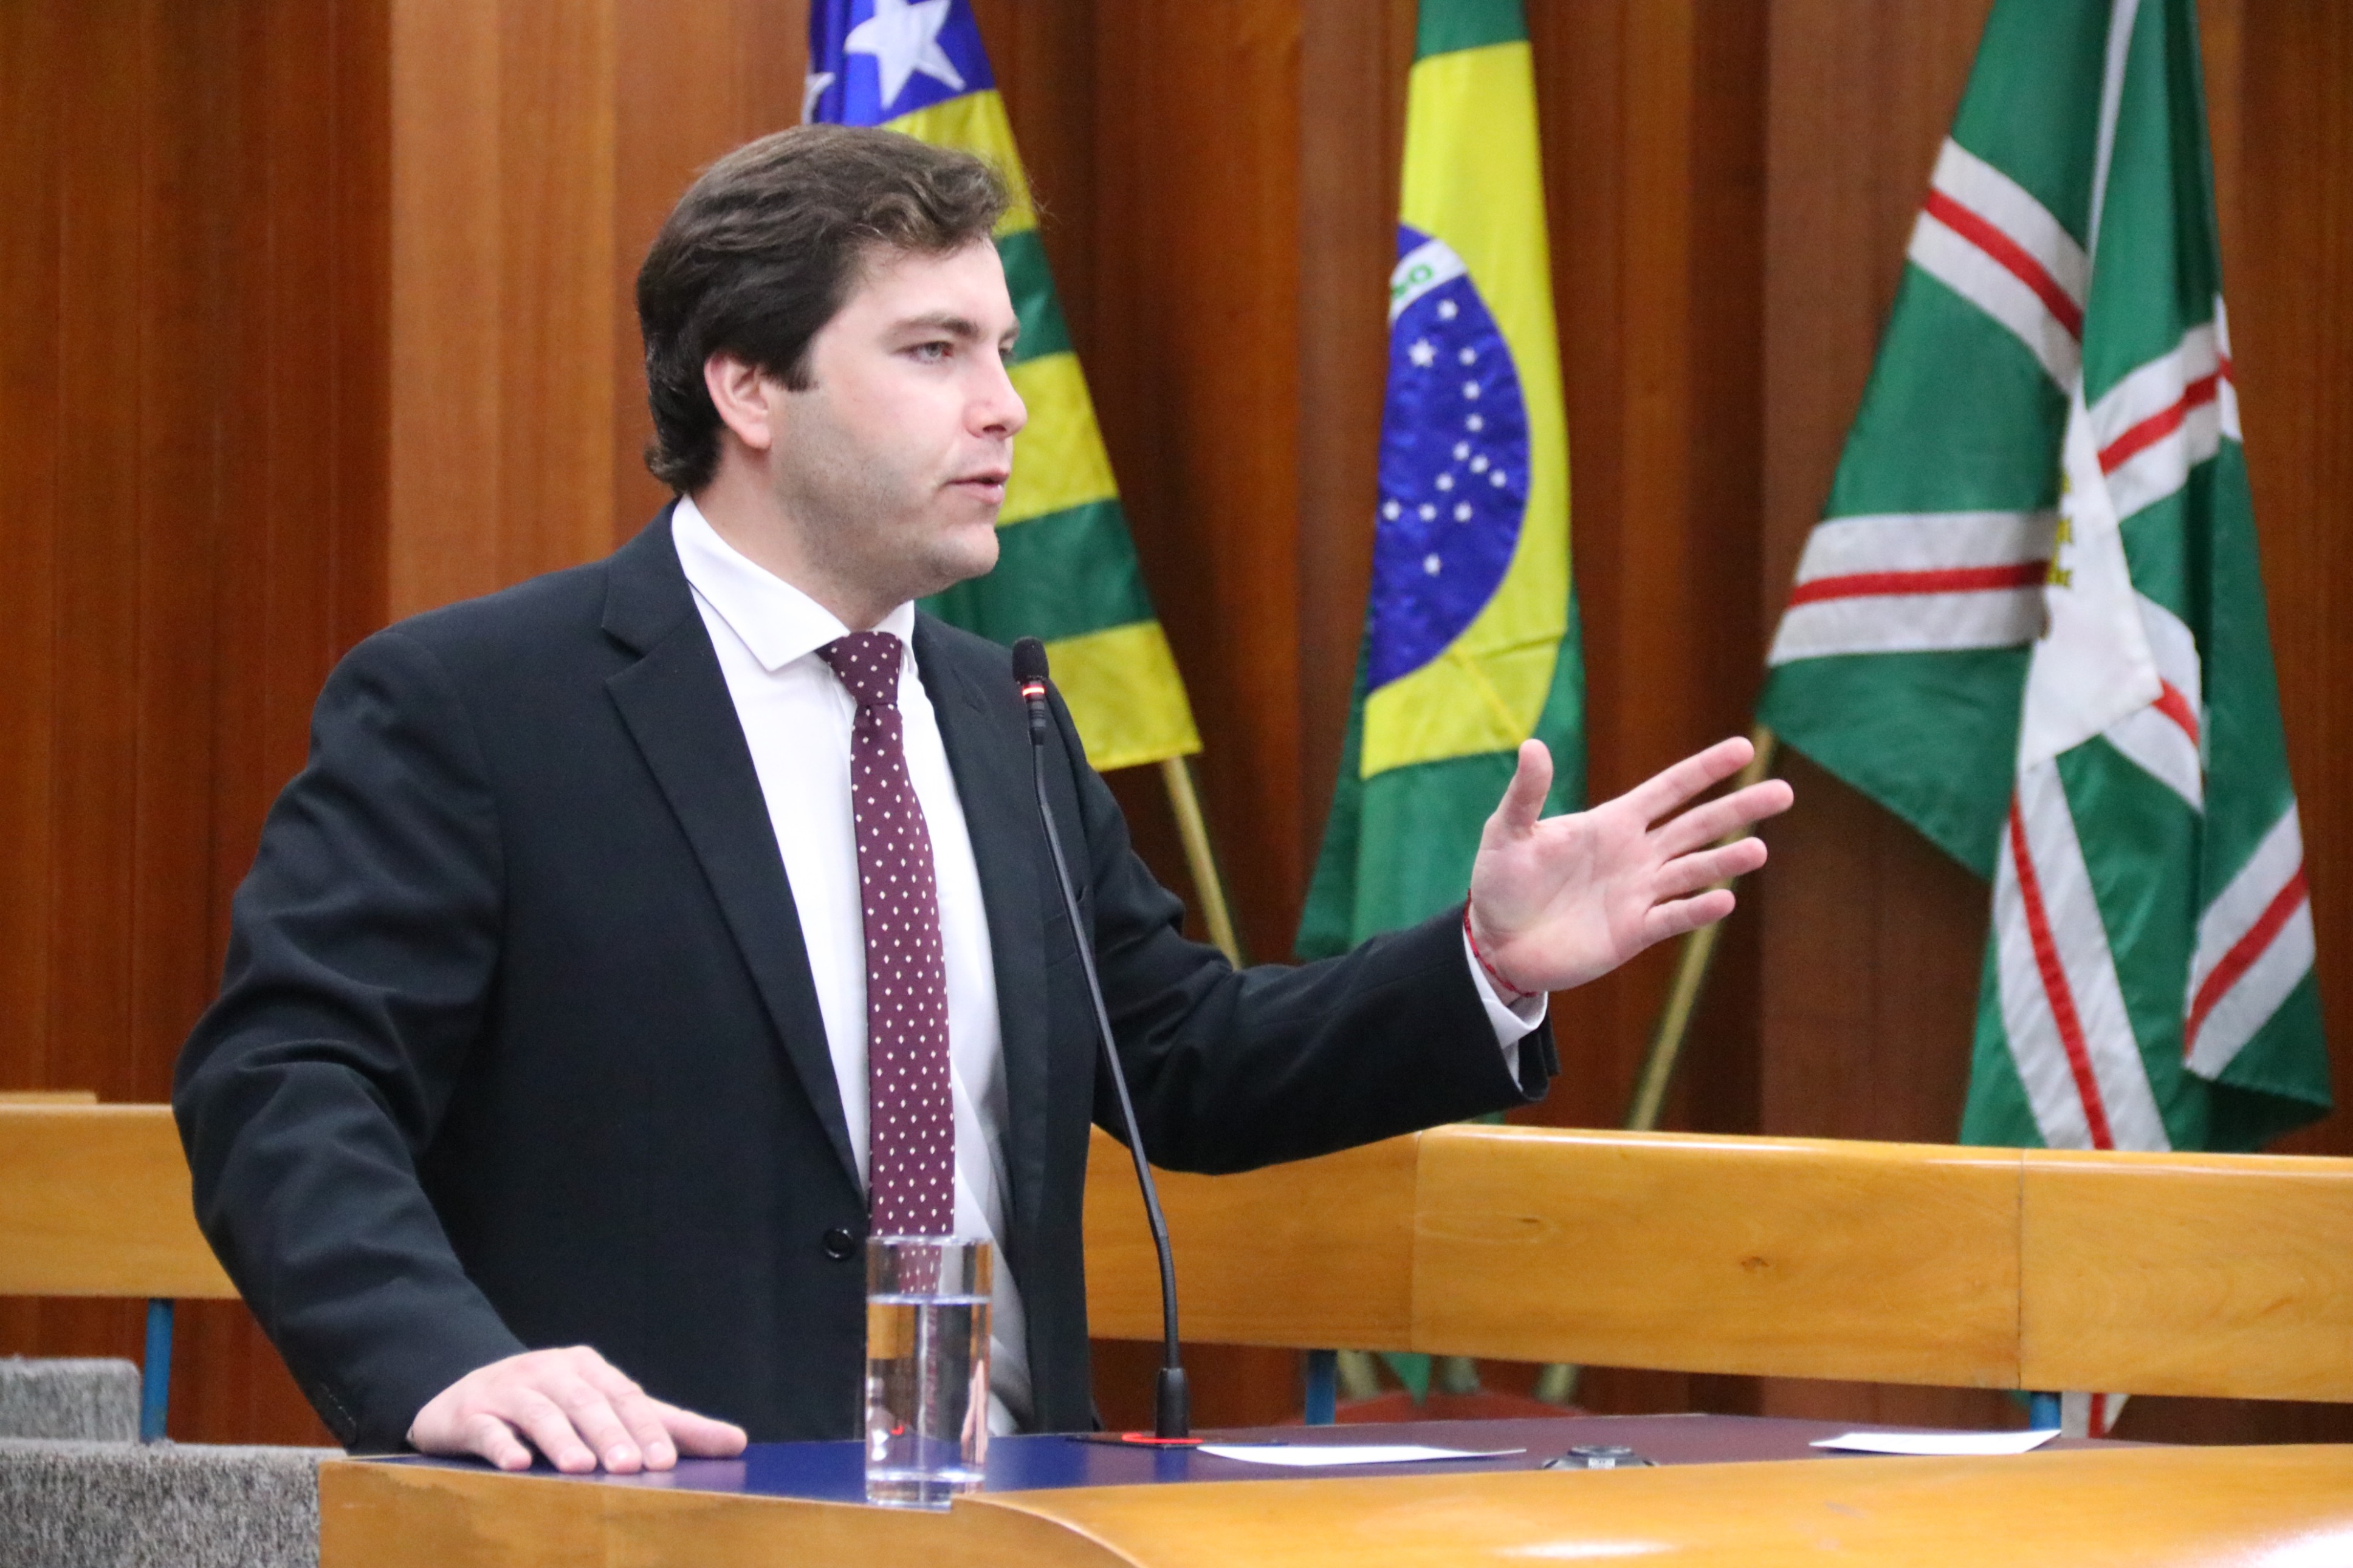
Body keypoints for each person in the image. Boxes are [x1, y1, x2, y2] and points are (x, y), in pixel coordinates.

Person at [173, 124, 1791, 1477]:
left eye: (999, 350)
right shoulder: (479, 705)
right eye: (935, 352)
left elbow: (1180, 1062)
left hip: (1014, 1505)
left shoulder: (991, 707)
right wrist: (444, 1366)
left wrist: (1486, 967)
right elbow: (286, 1080)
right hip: (662, 1505)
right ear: (749, 387)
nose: (1005, 407)